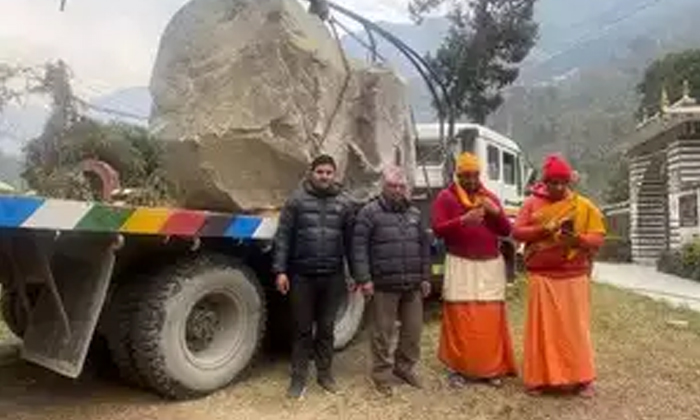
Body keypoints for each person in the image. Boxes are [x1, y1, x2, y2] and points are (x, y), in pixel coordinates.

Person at [512, 153, 606, 398]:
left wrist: (578, 240)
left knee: (575, 329)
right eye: (553, 182)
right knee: (542, 329)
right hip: (542, 276)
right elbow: (517, 232)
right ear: (545, 181)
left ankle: (582, 378)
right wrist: (544, 229)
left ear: (569, 183)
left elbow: (598, 236)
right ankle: (538, 379)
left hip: (573, 276)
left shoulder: (582, 205)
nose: (558, 187)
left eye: (563, 183)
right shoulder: (531, 203)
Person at [272, 154, 356, 399]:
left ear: (334, 175)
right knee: (301, 329)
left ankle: (325, 375)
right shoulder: (296, 201)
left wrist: (356, 276)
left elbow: (351, 243)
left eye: (329, 172)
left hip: (333, 277)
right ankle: (298, 379)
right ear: (311, 173)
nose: (324, 176)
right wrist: (280, 271)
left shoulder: (344, 204)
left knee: (327, 329)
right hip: (302, 277)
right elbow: (283, 238)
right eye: (320, 172)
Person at [431, 152, 517, 388]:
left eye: (475, 175)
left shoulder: (489, 197)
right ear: (458, 175)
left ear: (480, 175)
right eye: (465, 176)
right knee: (461, 318)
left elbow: (506, 229)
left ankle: (490, 368)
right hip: (461, 264)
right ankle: (458, 369)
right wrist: (462, 221)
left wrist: (496, 212)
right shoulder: (446, 198)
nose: (471, 180)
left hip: (489, 266)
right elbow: (437, 229)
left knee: (489, 318)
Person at [352, 165, 431, 397]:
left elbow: (424, 248)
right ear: (383, 186)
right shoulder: (369, 212)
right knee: (382, 334)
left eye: (401, 186)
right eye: (392, 186)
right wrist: (364, 279)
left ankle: (404, 368)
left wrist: (425, 276)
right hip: (383, 284)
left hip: (412, 285)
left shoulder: (415, 214)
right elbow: (358, 248)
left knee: (413, 333)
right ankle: (381, 376)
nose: (397, 190)